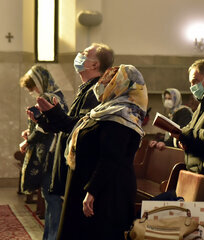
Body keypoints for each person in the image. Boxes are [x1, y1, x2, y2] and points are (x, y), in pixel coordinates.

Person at [58, 65, 148, 240]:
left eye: (108, 83)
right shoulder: (104, 110)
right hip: (92, 185)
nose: (101, 86)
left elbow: (111, 158)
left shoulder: (122, 116)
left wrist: (92, 191)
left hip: (108, 192)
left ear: (121, 85)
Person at [30, 43, 114, 200]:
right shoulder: (86, 89)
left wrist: (54, 113)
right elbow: (67, 126)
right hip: (74, 166)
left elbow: (82, 127)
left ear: (95, 64)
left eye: (85, 53)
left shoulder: (96, 91)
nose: (79, 55)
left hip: (83, 169)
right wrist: (43, 119)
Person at [19, 65, 68, 240]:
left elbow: (44, 129)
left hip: (51, 156)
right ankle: (49, 236)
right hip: (51, 154)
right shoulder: (56, 95)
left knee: (53, 199)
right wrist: (29, 132)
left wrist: (27, 140)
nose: (32, 91)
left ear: (40, 82)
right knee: (50, 198)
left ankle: (53, 236)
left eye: (33, 87)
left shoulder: (49, 97)